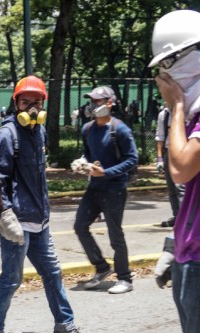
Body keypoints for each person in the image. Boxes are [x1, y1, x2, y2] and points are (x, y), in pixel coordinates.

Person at [0, 75, 95, 333]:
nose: (32, 107)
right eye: (26, 102)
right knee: (11, 279)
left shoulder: (40, 132)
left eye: (37, 102)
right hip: (17, 222)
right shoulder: (7, 135)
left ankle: (64, 325)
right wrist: (6, 215)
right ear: (16, 103)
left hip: (40, 220)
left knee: (53, 273)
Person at [150, 9, 200, 333]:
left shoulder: (198, 110)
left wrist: (178, 109)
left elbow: (181, 167)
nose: (164, 81)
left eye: (166, 68)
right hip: (192, 253)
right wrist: (175, 245)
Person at [73, 86, 138, 294]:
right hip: (94, 188)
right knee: (80, 225)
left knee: (115, 234)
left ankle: (125, 278)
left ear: (110, 103)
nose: (94, 105)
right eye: (92, 101)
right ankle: (101, 267)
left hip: (115, 189)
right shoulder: (88, 128)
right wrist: (82, 163)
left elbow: (132, 159)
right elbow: (87, 153)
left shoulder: (120, 129)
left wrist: (106, 172)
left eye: (98, 101)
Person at [155, 105, 184, 227]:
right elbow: (160, 136)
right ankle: (177, 216)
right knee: (171, 187)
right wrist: (160, 158)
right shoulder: (164, 114)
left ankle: (184, 218)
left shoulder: (186, 111)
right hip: (169, 152)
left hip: (183, 151)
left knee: (181, 188)